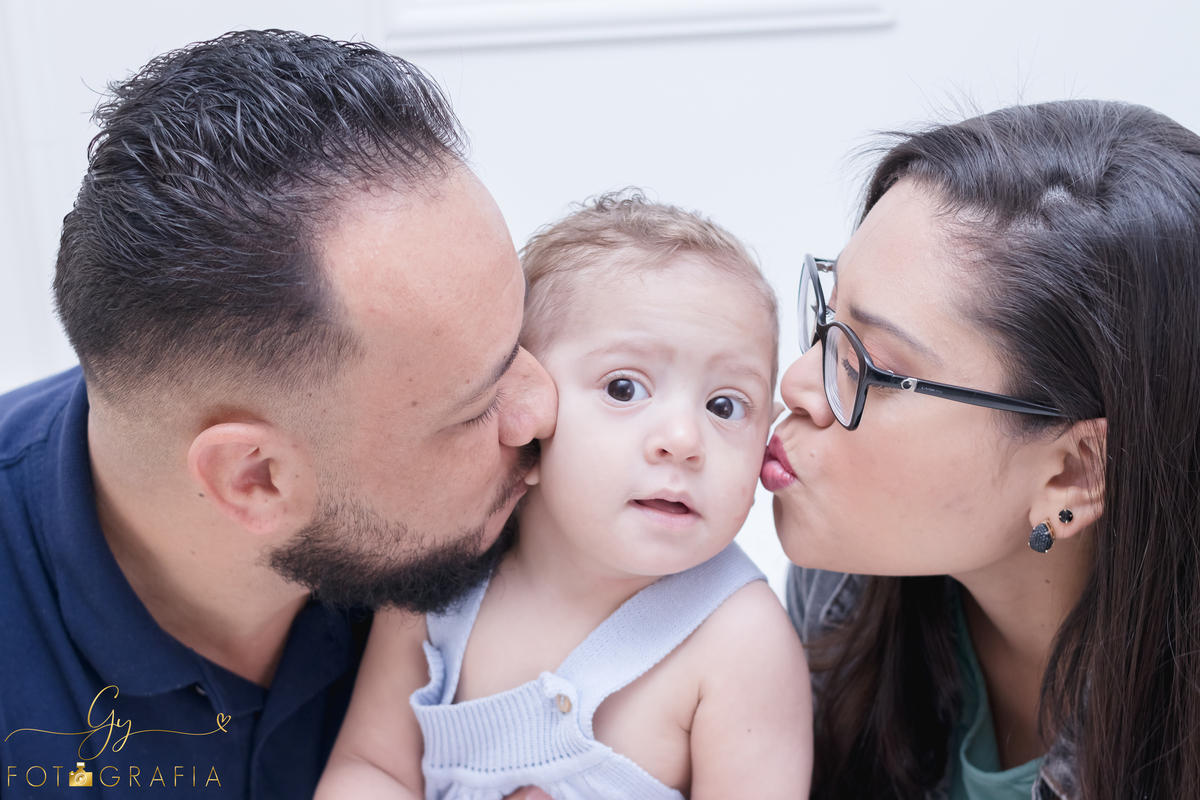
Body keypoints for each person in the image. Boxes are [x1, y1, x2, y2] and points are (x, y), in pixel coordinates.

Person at [0, 30, 555, 798]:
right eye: (477, 406)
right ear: (255, 478)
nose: (544, 408)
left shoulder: (525, 503)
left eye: (520, 335)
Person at [763, 100, 1200, 799]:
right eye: (827, 316)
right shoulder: (840, 602)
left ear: (1075, 472)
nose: (794, 385)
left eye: (868, 366)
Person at [316, 192, 812, 799]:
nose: (684, 440)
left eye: (725, 406)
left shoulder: (741, 642)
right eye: (625, 388)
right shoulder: (440, 579)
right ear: (526, 405)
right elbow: (371, 768)